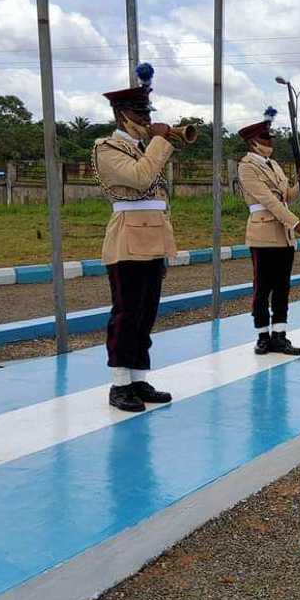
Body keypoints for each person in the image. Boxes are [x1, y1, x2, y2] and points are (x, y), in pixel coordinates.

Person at [94, 63, 180, 413]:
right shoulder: (107, 148)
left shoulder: (145, 148)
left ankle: (139, 378)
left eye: (146, 112)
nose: (144, 119)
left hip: (154, 237)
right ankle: (119, 384)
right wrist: (159, 139)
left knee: (146, 313)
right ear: (120, 114)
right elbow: (141, 179)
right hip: (128, 239)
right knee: (126, 313)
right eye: (137, 112)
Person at [237, 109, 300, 355]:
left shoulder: (274, 166)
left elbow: (284, 198)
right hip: (263, 234)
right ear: (253, 143)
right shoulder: (247, 167)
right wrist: (297, 224)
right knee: (262, 288)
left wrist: (298, 184)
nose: (270, 143)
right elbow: (269, 202)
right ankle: (262, 335)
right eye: (266, 140)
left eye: (270, 139)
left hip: (283, 236)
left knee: (282, 287)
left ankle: (279, 335)